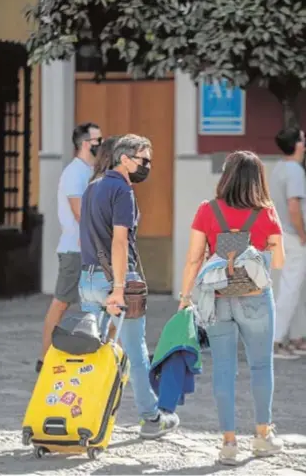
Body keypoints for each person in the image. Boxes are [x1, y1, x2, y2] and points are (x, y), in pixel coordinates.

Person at [179, 151, 285, 465]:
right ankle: (263, 437)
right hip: (255, 298)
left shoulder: (207, 210)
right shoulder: (266, 213)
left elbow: (194, 258)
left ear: (225, 176)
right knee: (260, 366)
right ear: (257, 179)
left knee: (224, 369)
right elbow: (278, 262)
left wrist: (185, 298)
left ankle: (228, 443)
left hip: (217, 297)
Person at [78, 134, 179, 439]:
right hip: (117, 283)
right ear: (124, 159)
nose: (147, 165)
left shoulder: (93, 187)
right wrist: (119, 287)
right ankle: (151, 419)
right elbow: (119, 242)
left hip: (88, 280)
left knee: (91, 351)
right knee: (136, 351)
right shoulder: (122, 190)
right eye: (143, 159)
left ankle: (83, 414)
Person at [36, 122, 102, 372]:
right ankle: (44, 358)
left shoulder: (89, 171)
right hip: (75, 250)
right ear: (86, 144)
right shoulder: (75, 173)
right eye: (98, 139)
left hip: (86, 249)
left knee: (92, 303)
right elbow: (80, 213)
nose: (101, 144)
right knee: (62, 302)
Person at [270, 127, 306, 358]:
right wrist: (303, 234)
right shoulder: (294, 170)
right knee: (291, 289)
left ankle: (296, 337)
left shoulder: (279, 168)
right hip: (295, 236)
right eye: (303, 140)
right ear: (296, 145)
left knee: (298, 288)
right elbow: (294, 206)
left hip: (282, 234)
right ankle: (276, 340)